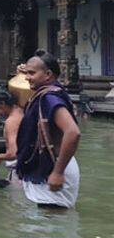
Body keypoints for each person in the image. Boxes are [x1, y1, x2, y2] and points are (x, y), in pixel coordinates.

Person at [16, 50, 81, 208]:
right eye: (27, 73)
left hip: (55, 167)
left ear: (48, 75)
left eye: (31, 73)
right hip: (51, 166)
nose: (26, 77)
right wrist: (27, 72)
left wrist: (58, 172)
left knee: (51, 223)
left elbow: (73, 132)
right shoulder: (48, 92)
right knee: (47, 226)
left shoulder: (49, 98)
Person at [0, 86, 24, 183]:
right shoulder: (21, 111)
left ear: (2, 104)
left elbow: (14, 152)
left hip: (19, 169)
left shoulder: (11, 121)